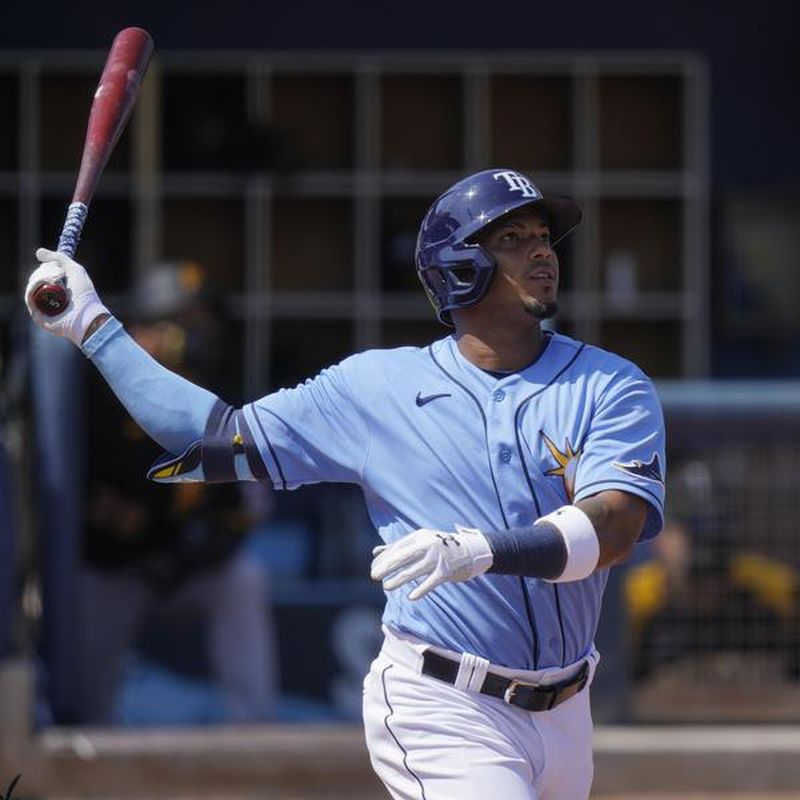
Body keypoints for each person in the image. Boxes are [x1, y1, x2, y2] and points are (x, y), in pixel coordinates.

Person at [26, 168, 665, 798]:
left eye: (543, 237)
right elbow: (213, 440)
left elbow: (613, 528)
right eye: (511, 238)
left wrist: (479, 550)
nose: (540, 251)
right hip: (444, 702)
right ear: (459, 266)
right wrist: (91, 326)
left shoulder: (612, 384)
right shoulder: (375, 387)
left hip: (567, 710)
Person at [78, 262, 278, 725]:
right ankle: (82, 733)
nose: (190, 334)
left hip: (189, 568)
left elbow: (245, 507)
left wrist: (203, 545)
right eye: (181, 321)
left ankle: (256, 733)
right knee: (88, 599)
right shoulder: (100, 391)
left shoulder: (217, 393)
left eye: (198, 321)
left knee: (243, 580)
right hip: (118, 567)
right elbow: (97, 498)